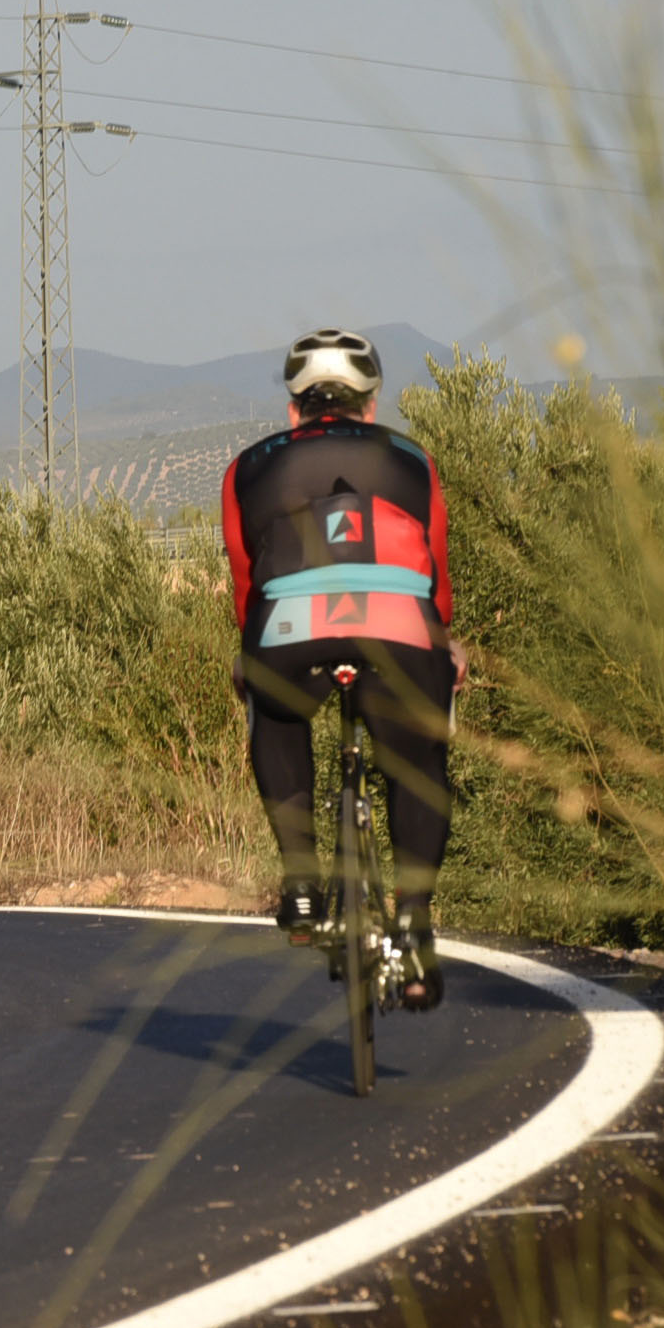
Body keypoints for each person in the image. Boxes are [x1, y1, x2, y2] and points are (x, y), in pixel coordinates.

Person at [221, 328, 467, 1010]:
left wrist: (251, 658)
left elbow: (248, 583)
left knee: (273, 710)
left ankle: (301, 881)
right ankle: (413, 926)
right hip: (400, 628)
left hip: (290, 629)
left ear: (294, 407)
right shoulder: (415, 460)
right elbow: (435, 577)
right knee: (418, 758)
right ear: (372, 402)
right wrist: (446, 646)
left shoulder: (246, 468)